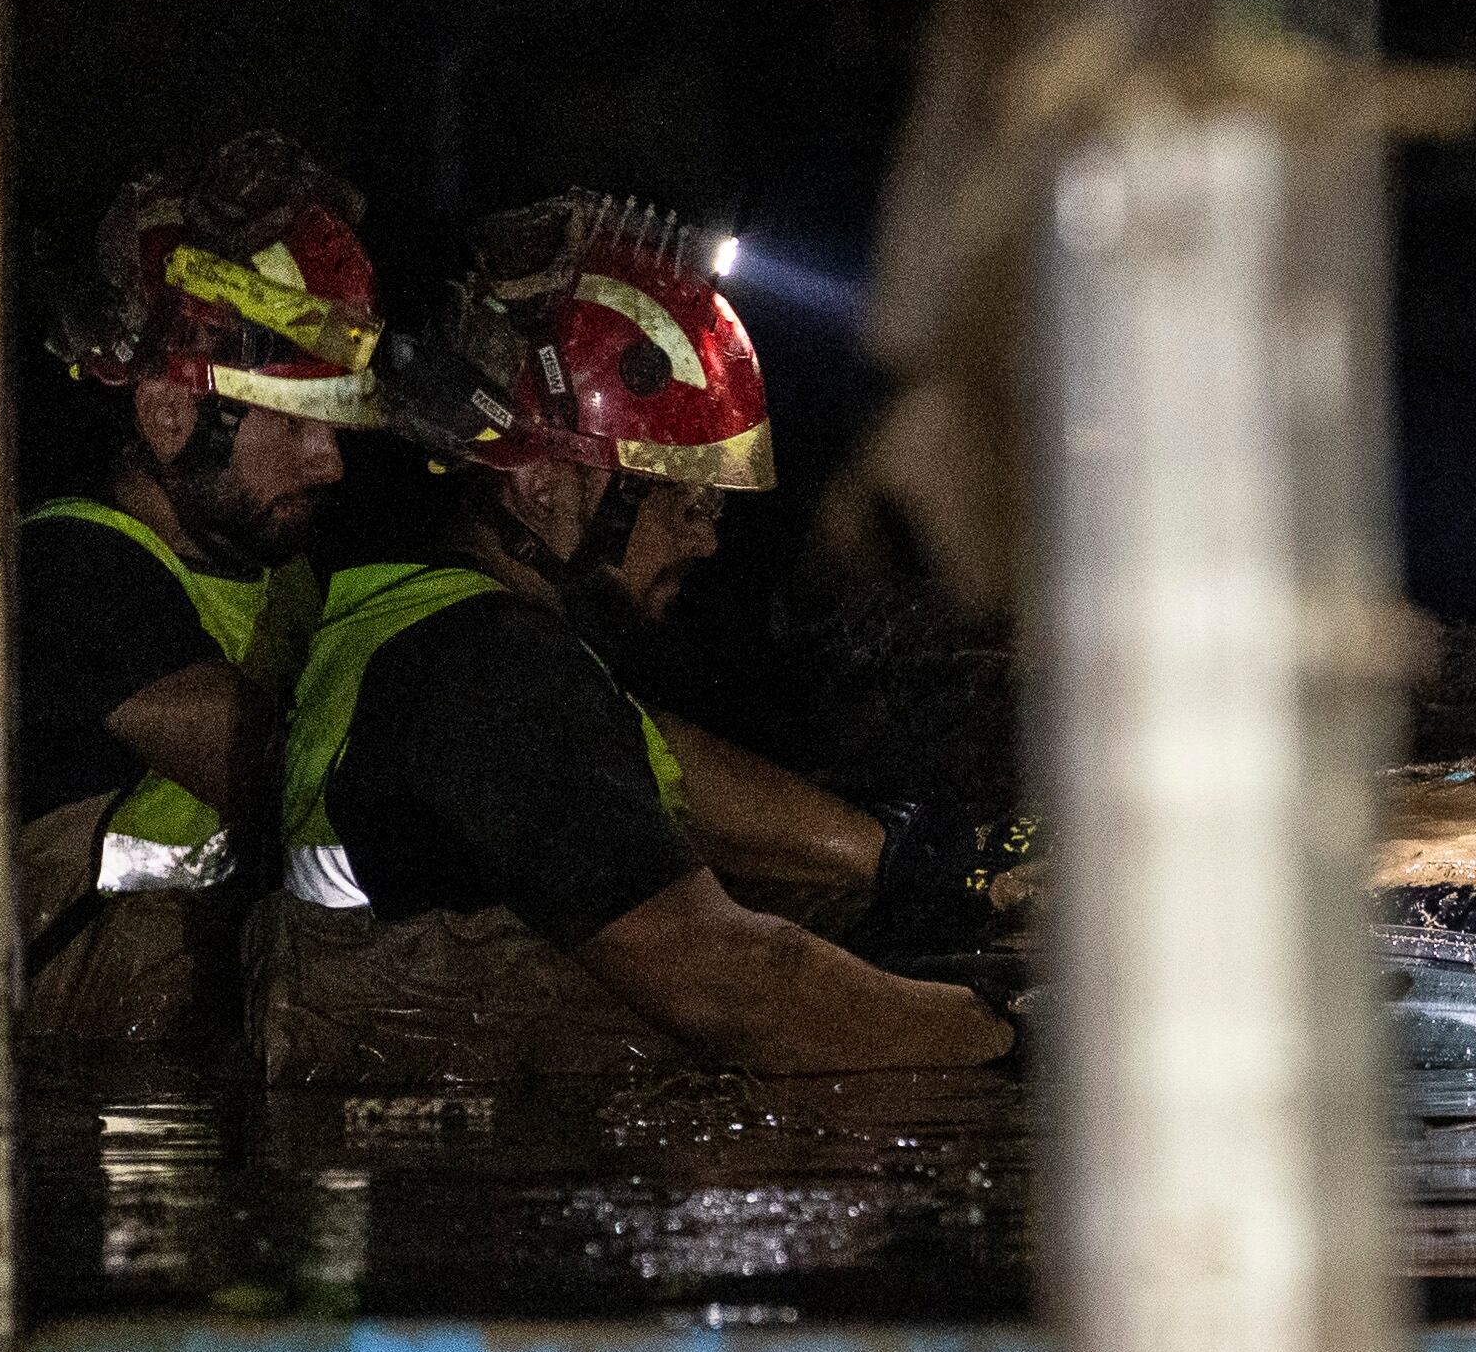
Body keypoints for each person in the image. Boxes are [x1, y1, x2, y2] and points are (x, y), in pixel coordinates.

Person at [254, 191, 1025, 1084]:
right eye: (680, 498)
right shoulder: (491, 672)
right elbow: (734, 987)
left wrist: (919, 862)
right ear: (543, 483)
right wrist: (1014, 1034)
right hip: (441, 1186)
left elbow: (661, 768)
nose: (703, 539)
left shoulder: (420, 620)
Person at [14, 135, 389, 1045]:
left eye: (338, 423)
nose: (330, 462)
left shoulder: (289, 576)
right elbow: (291, 775)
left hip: (186, 1064)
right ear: (171, 411)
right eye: (299, 421)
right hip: (77, 1102)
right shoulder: (68, 571)